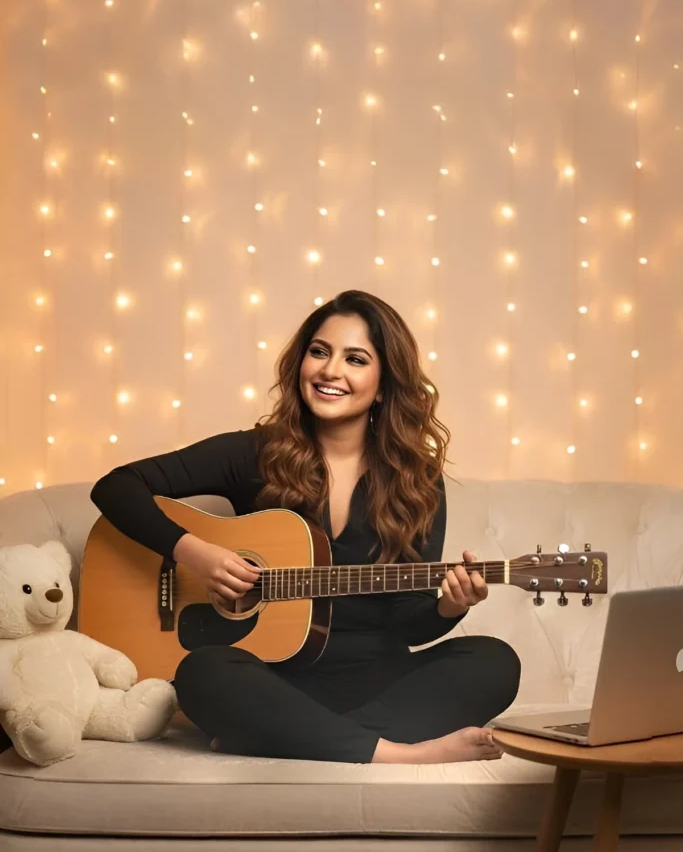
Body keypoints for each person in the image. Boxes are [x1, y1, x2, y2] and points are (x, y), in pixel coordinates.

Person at [90, 289, 521, 764]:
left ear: (383, 384)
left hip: (373, 680)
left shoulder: (416, 481)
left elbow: (409, 623)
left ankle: (282, 737)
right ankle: (399, 755)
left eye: (355, 359)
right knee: (201, 672)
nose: (330, 371)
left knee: (494, 662)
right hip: (273, 677)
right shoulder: (254, 452)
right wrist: (195, 554)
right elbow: (117, 487)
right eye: (319, 352)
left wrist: (447, 607)